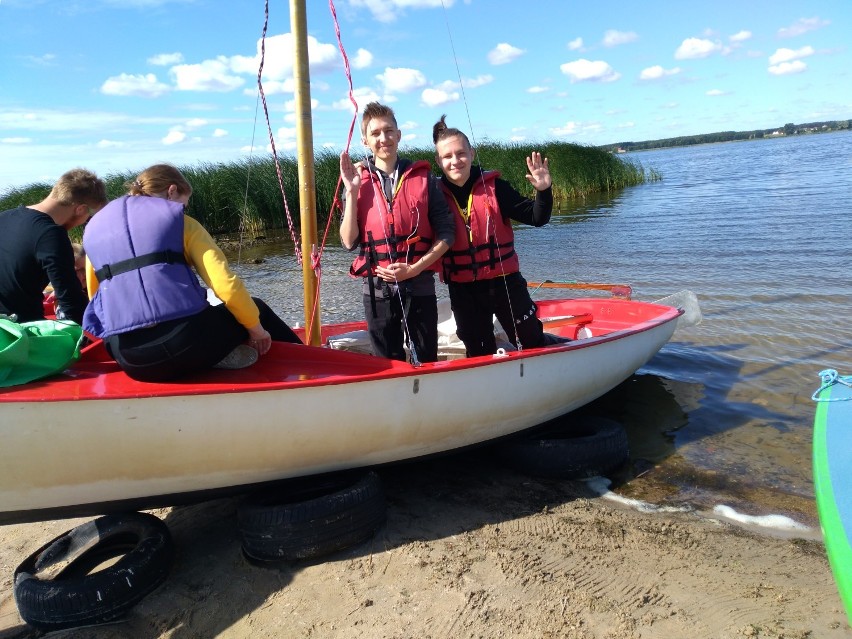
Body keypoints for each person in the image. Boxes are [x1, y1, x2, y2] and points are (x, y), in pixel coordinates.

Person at [82, 163, 302, 382]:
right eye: (183, 204)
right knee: (257, 309)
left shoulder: (94, 232)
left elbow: (96, 298)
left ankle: (214, 358)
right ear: (172, 191)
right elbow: (226, 286)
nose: (181, 210)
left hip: (131, 360)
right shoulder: (183, 223)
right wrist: (258, 332)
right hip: (186, 344)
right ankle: (311, 366)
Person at [432, 115, 566, 357]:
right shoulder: (433, 196)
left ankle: (560, 347)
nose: (455, 161)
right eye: (447, 156)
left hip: (506, 282)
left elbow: (538, 218)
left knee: (531, 341)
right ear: (438, 161)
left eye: (461, 153)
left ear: (472, 153)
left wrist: (544, 191)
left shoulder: (496, 188)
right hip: (463, 290)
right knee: (478, 350)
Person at [339, 102, 455, 363]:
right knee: (386, 364)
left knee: (426, 359)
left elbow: (447, 233)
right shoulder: (356, 180)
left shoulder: (425, 179)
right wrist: (352, 191)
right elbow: (348, 242)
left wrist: (414, 269)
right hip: (377, 290)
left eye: (389, 131)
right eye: (376, 133)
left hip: (420, 285)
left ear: (399, 135)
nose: (384, 138)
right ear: (365, 140)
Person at [0, 168, 107, 325]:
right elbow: (71, 301)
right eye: (88, 217)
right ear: (81, 209)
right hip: (19, 332)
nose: (86, 221)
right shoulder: (51, 234)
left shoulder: (5, 217)